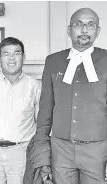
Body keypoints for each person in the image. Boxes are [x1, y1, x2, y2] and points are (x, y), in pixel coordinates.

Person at [30, 8, 107, 184]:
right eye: (78, 24)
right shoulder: (53, 61)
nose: (84, 30)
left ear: (98, 30)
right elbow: (45, 112)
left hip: (97, 149)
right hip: (60, 149)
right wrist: (42, 155)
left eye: (91, 25)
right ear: (68, 29)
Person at [0, 37, 41, 184]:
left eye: (16, 53)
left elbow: (40, 122)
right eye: (6, 54)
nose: (11, 58)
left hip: (22, 151)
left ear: (23, 57)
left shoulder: (35, 86)